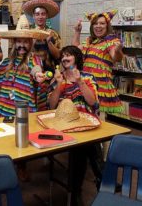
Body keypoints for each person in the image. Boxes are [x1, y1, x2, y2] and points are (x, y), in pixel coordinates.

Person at [47, 45, 102, 205]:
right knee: (86, 148)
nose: (64, 58)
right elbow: (51, 105)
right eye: (63, 56)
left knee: (85, 146)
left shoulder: (88, 77)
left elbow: (93, 102)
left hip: (87, 122)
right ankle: (99, 180)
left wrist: (79, 82)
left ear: (76, 58)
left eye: (68, 55)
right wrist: (58, 85)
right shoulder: (58, 78)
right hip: (64, 124)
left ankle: (77, 189)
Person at [0, 29, 50, 118]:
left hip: (23, 111)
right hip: (2, 109)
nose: (21, 45)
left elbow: (36, 68)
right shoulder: (6, 62)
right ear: (14, 43)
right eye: (19, 42)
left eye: (25, 42)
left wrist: (37, 74)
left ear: (30, 44)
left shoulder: (33, 59)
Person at [72, 10, 124, 115]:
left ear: (107, 26)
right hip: (86, 85)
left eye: (102, 23)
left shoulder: (111, 41)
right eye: (95, 23)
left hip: (100, 88)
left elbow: (116, 57)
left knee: (98, 121)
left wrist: (118, 50)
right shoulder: (89, 41)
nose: (98, 26)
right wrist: (77, 32)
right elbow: (75, 50)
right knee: (83, 117)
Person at [17, 0, 61, 73]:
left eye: (43, 14)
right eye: (37, 14)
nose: (40, 17)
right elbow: (21, 54)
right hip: (30, 69)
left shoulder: (53, 34)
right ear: (33, 16)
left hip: (49, 71)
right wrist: (32, 41)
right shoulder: (27, 33)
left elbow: (58, 56)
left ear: (47, 16)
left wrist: (49, 42)